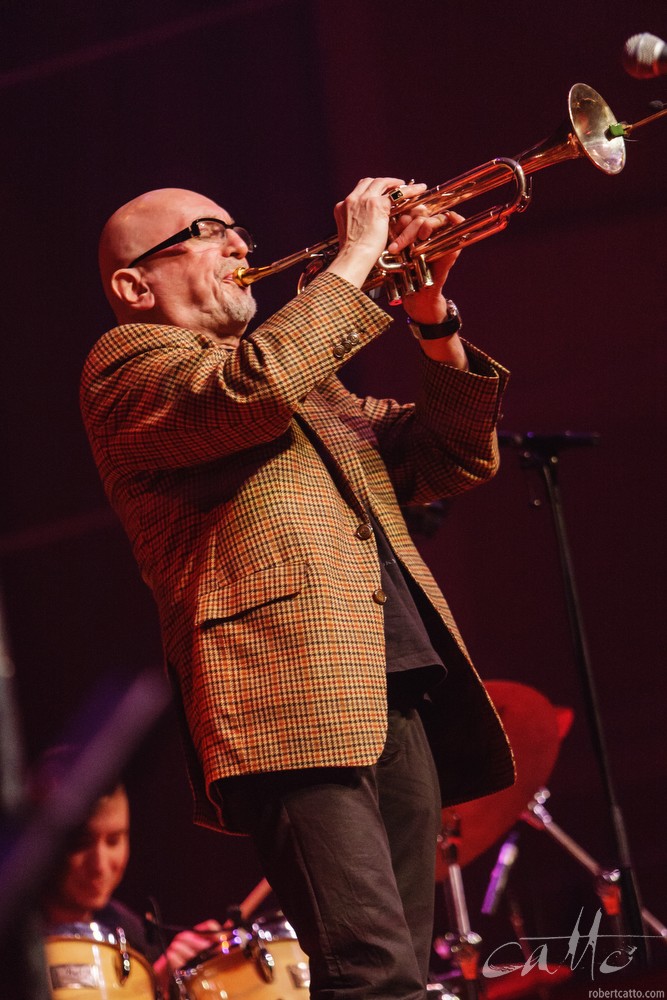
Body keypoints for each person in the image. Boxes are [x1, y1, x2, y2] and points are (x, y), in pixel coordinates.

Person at [80, 178, 515, 999]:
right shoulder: (127, 366)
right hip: (285, 692)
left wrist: (430, 316)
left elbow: (449, 456)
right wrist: (355, 258)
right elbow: (250, 392)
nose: (242, 246)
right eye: (209, 232)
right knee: (371, 972)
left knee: (405, 974)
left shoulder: (302, 378)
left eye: (238, 227)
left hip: (390, 675)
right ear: (135, 286)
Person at [38, 765, 221, 997]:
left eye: (114, 841)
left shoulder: (133, 934)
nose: (100, 865)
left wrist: (163, 985)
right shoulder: (12, 935)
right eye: (81, 843)